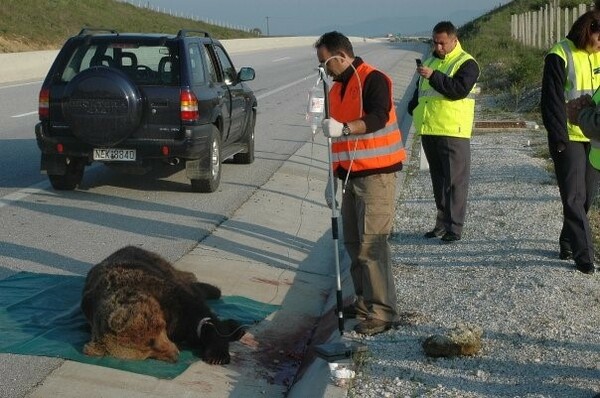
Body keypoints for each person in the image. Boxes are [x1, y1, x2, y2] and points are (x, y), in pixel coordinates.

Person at [316, 31, 406, 336]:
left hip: (376, 176)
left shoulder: (373, 79)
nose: (324, 70)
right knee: (354, 245)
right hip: (349, 176)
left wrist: (345, 129)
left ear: (341, 56)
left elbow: (379, 116)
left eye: (326, 63)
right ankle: (365, 302)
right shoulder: (335, 90)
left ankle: (384, 311)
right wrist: (333, 178)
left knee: (372, 245)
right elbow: (336, 142)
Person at [407, 21, 480, 243]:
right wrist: (413, 106)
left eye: (442, 43)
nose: (438, 47)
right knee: (438, 181)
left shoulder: (466, 63)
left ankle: (454, 228)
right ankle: (441, 224)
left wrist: (433, 76)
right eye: (435, 42)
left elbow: (457, 90)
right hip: (430, 129)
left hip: (452, 130)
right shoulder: (429, 60)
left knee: (455, 183)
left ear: (454, 40)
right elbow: (421, 91)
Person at [541, 9, 600, 275]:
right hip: (569, 137)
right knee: (574, 197)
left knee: (586, 197)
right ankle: (584, 254)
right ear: (589, 29)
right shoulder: (559, 54)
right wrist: (558, 139)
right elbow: (551, 102)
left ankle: (567, 239)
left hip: (595, 135)